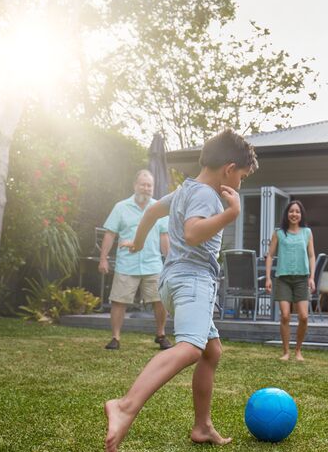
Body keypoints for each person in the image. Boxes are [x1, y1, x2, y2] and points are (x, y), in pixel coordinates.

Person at [104, 129, 258, 451]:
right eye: (241, 176)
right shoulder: (207, 195)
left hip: (172, 280)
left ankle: (202, 426)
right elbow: (191, 233)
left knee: (211, 351)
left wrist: (139, 241)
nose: (240, 184)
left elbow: (151, 212)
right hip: (193, 280)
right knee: (190, 348)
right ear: (229, 169)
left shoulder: (186, 189)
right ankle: (125, 405)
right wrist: (231, 214)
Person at [99, 170, 173, 351]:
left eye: (149, 186)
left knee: (161, 300)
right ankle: (115, 338)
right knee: (118, 301)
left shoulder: (159, 208)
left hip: (153, 263)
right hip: (127, 264)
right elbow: (110, 234)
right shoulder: (121, 207)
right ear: (135, 185)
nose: (146, 188)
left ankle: (161, 334)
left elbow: (164, 237)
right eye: (143, 184)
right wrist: (103, 259)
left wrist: (170, 260)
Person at [265, 200, 316, 361]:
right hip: (283, 279)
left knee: (303, 316)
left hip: (302, 279)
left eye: (297, 211)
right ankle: (286, 351)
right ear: (287, 214)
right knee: (285, 315)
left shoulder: (307, 232)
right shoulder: (279, 233)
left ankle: (298, 350)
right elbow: (270, 256)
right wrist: (267, 278)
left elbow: (311, 255)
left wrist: (312, 277)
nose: (294, 214)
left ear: (301, 215)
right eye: (291, 211)